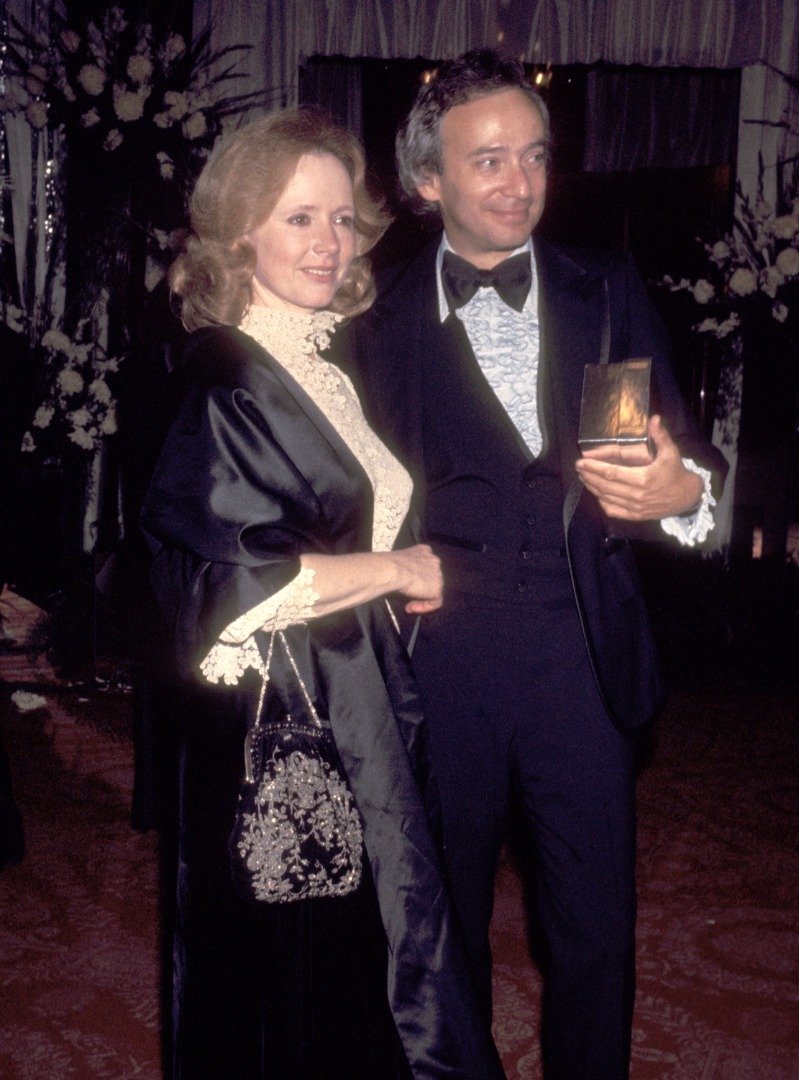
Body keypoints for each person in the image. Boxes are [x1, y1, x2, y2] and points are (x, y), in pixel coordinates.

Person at [346, 51, 729, 1079]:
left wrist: (682, 494)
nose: (520, 183)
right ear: (428, 181)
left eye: (535, 156)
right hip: (438, 664)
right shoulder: (369, 324)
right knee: (441, 933)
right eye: (489, 161)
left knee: (595, 935)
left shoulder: (600, 290)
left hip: (579, 654)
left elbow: (655, 456)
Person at [139, 109, 503, 1080]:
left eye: (340, 219)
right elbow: (233, 588)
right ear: (240, 231)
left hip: (357, 704)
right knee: (291, 977)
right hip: (281, 728)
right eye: (298, 218)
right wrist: (397, 569)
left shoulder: (316, 361)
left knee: (364, 957)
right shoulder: (231, 374)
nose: (327, 242)